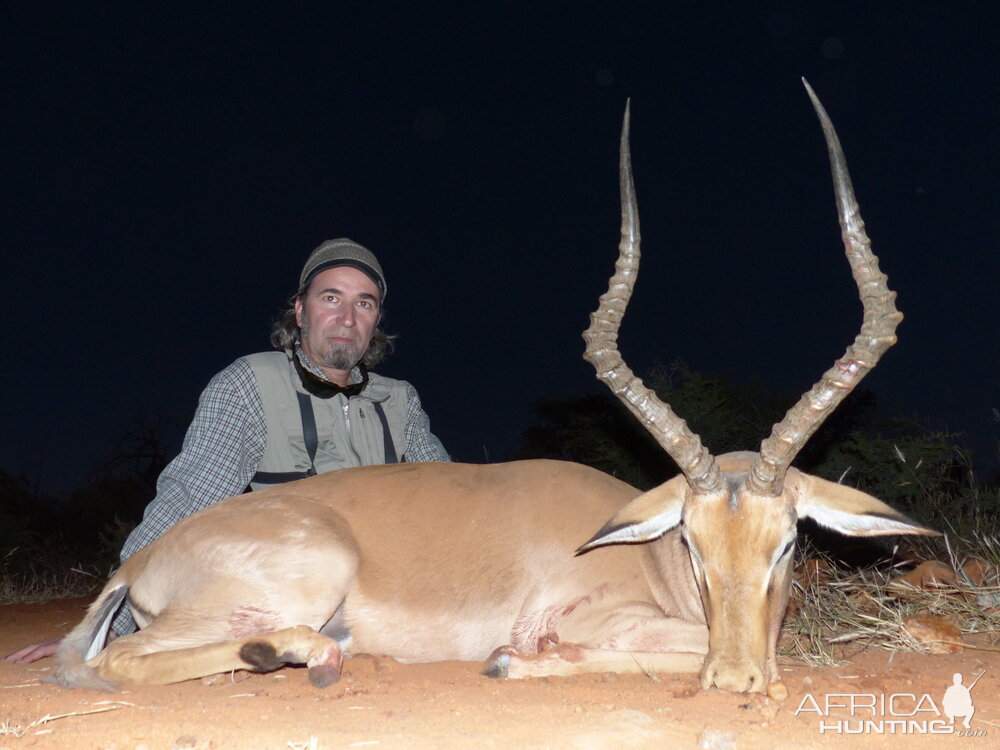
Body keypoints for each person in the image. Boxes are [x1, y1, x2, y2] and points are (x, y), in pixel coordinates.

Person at [4, 238, 449, 663]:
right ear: (299, 310)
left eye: (364, 303)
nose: (348, 317)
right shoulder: (250, 383)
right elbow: (187, 498)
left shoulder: (400, 399)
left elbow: (451, 499)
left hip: (394, 595)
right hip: (299, 587)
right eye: (331, 298)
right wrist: (108, 626)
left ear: (375, 321)